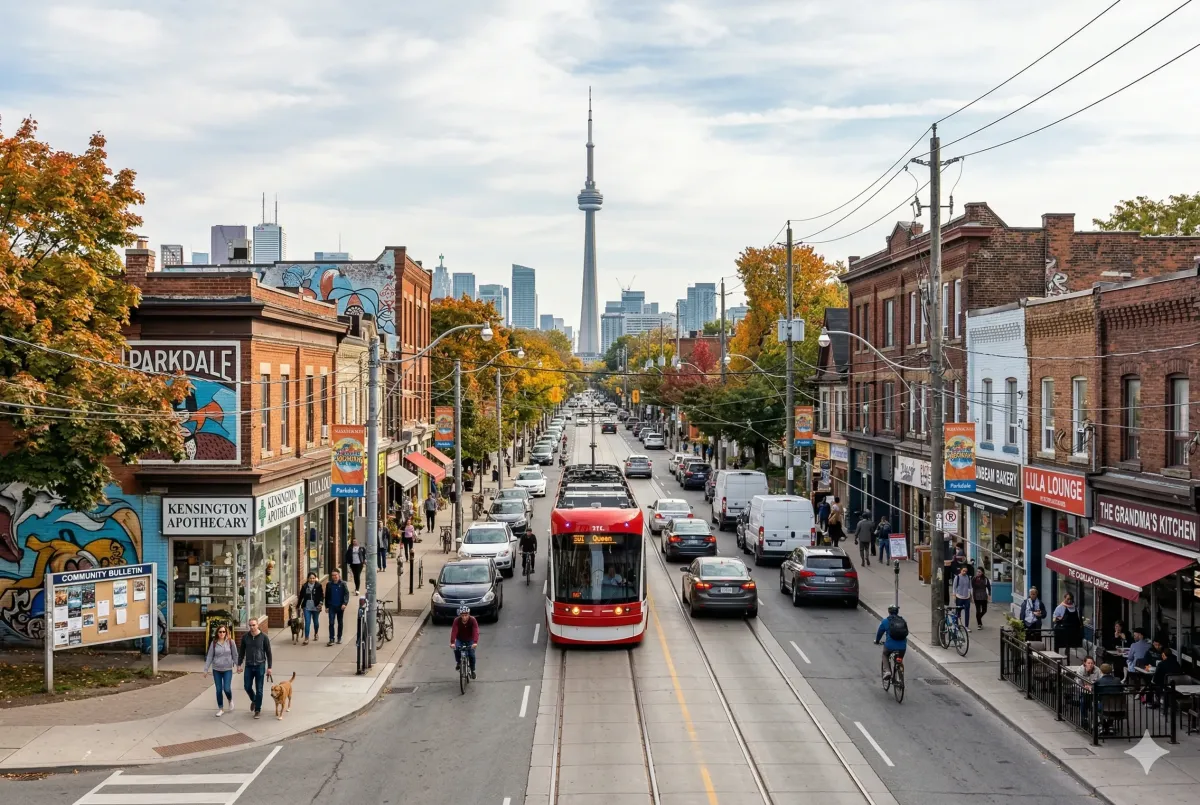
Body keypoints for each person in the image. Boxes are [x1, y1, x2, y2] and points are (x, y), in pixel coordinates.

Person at [237, 618, 272, 720]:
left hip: (260, 665)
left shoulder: (264, 637)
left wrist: (269, 667)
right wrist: (239, 664)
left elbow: (269, 653)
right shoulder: (245, 637)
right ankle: (255, 699)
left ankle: (257, 710)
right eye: (250, 625)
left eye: (253, 625)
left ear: (257, 625)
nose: (252, 627)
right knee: (247, 686)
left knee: (259, 689)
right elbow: (242, 652)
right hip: (248, 665)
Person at [203, 624, 239, 717]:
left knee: (226, 688)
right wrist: (206, 669)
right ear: (217, 633)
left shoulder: (231, 642)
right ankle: (221, 708)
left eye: (224, 631)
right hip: (216, 669)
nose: (222, 633)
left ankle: (230, 700)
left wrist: (238, 666)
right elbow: (210, 656)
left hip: (227, 669)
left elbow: (235, 655)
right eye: (220, 632)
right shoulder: (214, 643)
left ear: (226, 632)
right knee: (218, 690)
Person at [874, 605, 908, 681]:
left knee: (885, 654)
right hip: (902, 647)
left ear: (889, 612)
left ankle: (887, 671)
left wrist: (877, 641)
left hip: (890, 646)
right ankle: (899, 673)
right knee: (899, 659)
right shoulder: (903, 621)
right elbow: (906, 632)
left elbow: (880, 633)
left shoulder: (885, 621)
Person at [450, 605, 479, 679]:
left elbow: (475, 631)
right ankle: (459, 662)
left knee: (471, 654)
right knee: (456, 649)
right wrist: (452, 642)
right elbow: (454, 631)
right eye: (462, 615)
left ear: (469, 614)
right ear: (460, 615)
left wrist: (475, 642)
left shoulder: (473, 620)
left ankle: (473, 670)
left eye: (466, 615)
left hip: (470, 640)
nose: (464, 617)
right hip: (460, 639)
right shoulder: (457, 620)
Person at [1053, 592, 1083, 660]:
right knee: (1058, 645)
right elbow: (1054, 619)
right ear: (1064, 598)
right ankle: (1056, 659)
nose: (1069, 601)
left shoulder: (1075, 608)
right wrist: (1058, 618)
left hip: (1072, 631)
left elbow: (1078, 619)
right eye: (1068, 599)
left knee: (1069, 646)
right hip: (1062, 630)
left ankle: (1067, 658)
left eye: (1071, 599)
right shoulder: (1060, 607)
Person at [297, 572, 324, 645]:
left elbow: (322, 595)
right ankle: (306, 638)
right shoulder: (304, 586)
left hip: (316, 606)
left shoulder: (318, 586)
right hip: (307, 607)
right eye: (310, 578)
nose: (312, 580)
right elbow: (301, 597)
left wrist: (321, 603)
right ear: (308, 579)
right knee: (307, 622)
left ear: (315, 578)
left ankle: (316, 633)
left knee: (316, 622)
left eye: (313, 578)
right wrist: (298, 606)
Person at [325, 569, 351, 645]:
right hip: (331, 606)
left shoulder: (343, 584)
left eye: (335, 575)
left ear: (339, 575)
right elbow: (326, 596)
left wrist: (344, 603)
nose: (334, 577)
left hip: (340, 606)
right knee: (331, 622)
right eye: (333, 575)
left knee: (340, 622)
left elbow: (346, 594)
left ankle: (339, 637)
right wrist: (326, 606)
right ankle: (331, 638)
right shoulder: (329, 584)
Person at [952, 565, 973, 631]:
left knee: (967, 612)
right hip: (959, 597)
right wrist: (954, 595)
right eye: (963, 571)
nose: (964, 572)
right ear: (960, 570)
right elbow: (954, 587)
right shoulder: (957, 577)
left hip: (967, 597)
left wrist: (971, 596)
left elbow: (970, 587)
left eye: (966, 571)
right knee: (958, 612)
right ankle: (956, 625)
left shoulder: (968, 578)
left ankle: (966, 626)